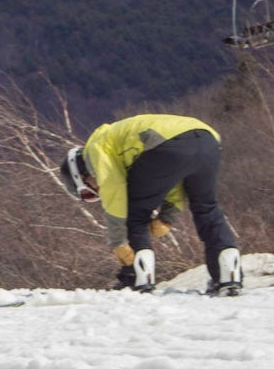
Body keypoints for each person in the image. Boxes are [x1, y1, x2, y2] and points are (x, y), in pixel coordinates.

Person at [59, 115, 242, 296]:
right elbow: (174, 175)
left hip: (166, 145)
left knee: (134, 213)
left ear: (80, 175)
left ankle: (136, 278)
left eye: (88, 191)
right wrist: (167, 215)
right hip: (207, 140)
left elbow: (114, 190)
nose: (96, 192)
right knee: (207, 208)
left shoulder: (96, 149)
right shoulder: (115, 142)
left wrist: (118, 241)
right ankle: (227, 276)